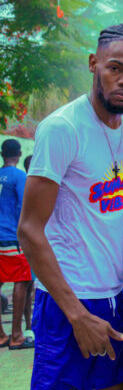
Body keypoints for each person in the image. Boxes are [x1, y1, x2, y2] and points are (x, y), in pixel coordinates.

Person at [18, 24, 123, 390]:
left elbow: (114, 220)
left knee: (117, 384)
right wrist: (76, 314)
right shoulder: (62, 128)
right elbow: (29, 230)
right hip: (68, 300)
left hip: (113, 295)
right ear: (94, 64)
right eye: (115, 68)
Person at [0, 138, 33, 349]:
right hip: (12, 237)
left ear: (2, 154)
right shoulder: (20, 176)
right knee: (22, 281)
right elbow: (24, 207)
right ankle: (17, 335)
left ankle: (1, 335)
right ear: (19, 154)